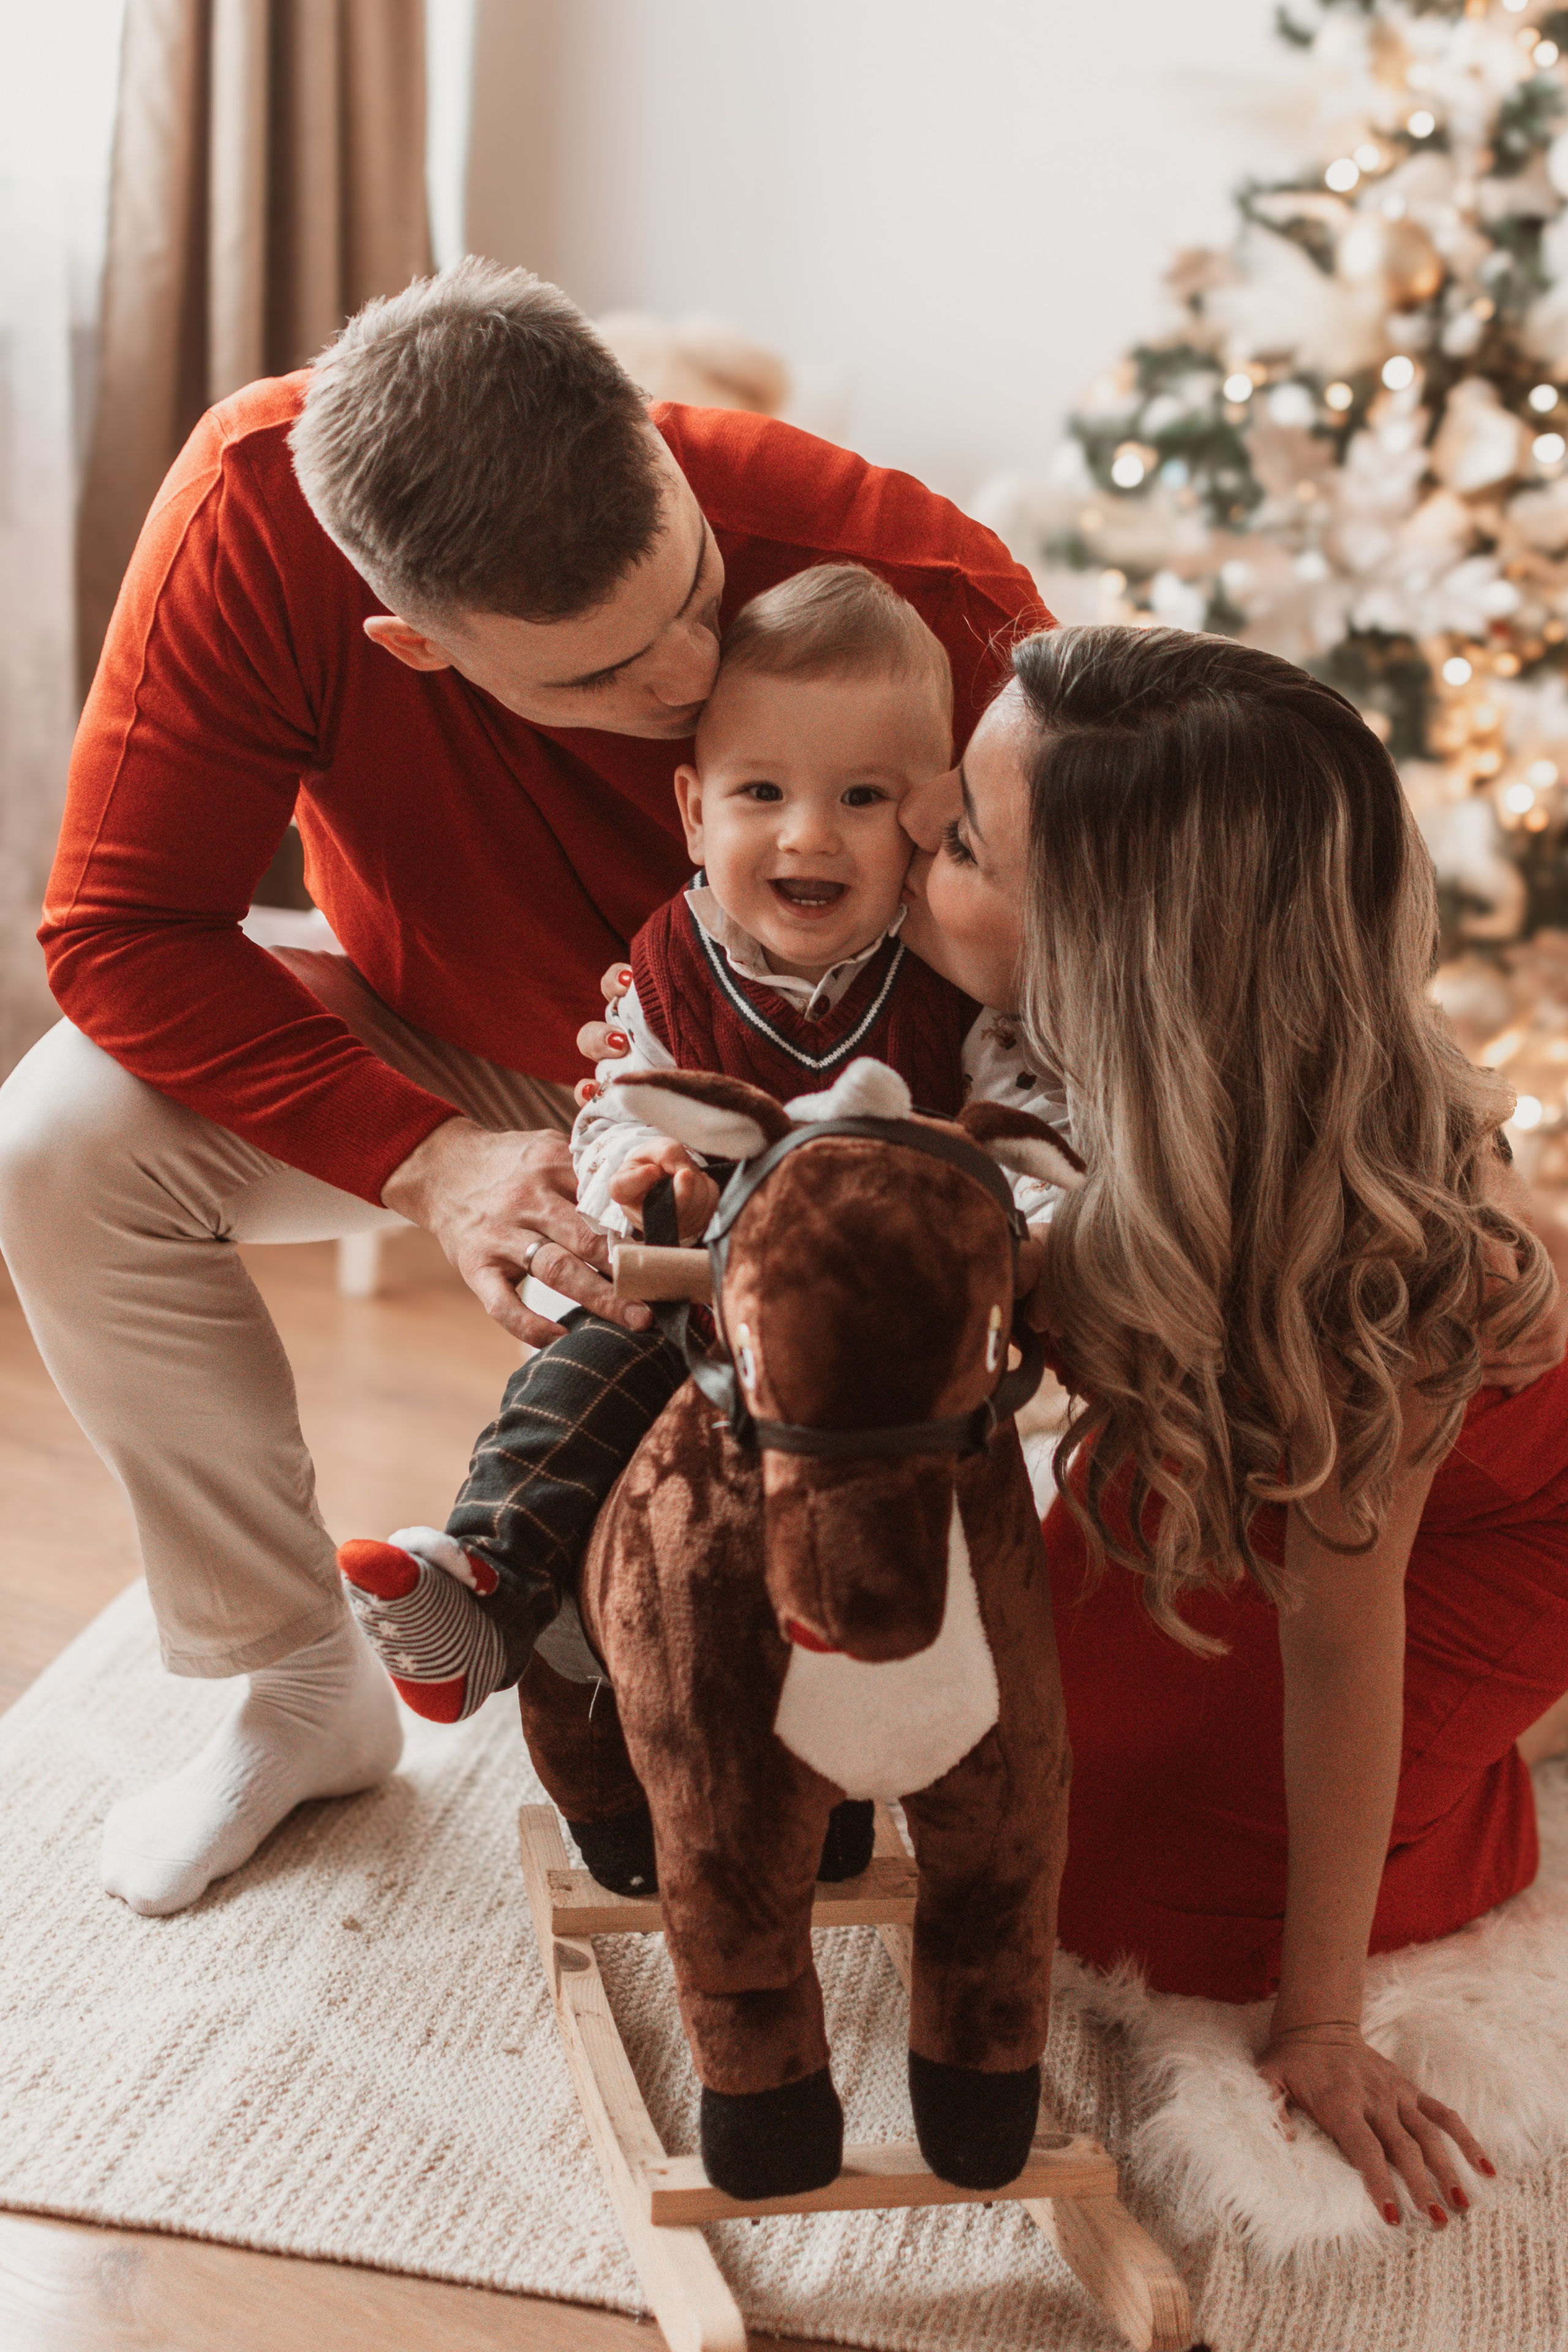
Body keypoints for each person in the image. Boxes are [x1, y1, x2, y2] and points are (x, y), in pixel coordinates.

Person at [0, 258, 1047, 1918]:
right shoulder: (250, 523)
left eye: (694, 592)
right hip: (473, 1049)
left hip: (844, 1091)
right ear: (410, 644)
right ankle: (299, 1690)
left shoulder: (911, 570)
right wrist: (428, 1158)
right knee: (54, 1146)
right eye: (605, 676)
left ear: (650, 440)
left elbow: (1077, 956)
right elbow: (123, 931)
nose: (693, 674)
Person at [885, 623, 1568, 2236]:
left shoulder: (1374, 1278)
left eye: (966, 840)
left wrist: (1321, 2019)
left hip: (1469, 1526)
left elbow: (1346, 1641)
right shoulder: (1101, 1077)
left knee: (1154, 1900)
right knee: (997, 1762)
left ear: (1111, 963)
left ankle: (1515, 1748)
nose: (915, 825)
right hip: (1251, 1428)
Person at [334, 563, 1066, 1733]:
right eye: (763, 791)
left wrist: (1018, 1236)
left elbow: (1027, 1128)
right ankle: (485, 1581)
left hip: (884, 1325)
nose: (809, 835)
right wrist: (635, 1179)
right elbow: (621, 1100)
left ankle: (881, 1678)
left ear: (930, 814)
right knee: (575, 1374)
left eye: (865, 798)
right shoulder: (676, 957)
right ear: (693, 812)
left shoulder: (946, 970)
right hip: (699, 1290)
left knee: (904, 1475)